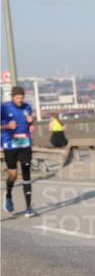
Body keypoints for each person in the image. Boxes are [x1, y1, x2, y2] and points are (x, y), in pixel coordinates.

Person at [2, 86, 36, 216]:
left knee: (26, 172)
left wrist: (32, 123)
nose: (20, 100)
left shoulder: (27, 107)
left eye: (22, 98)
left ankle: (28, 208)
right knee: (13, 175)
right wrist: (7, 126)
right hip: (10, 144)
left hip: (25, 144)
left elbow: (31, 124)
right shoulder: (4, 108)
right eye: (17, 98)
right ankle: (9, 195)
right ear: (12, 97)